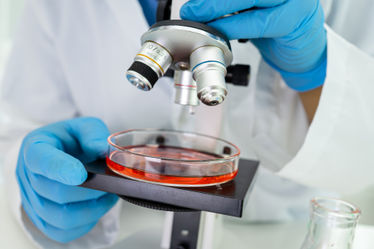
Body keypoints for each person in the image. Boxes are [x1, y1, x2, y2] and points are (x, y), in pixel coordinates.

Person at [0, 0, 373, 248]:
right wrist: (36, 188)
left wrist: (317, 69)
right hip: (115, 234)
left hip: (275, 235)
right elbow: (20, 127)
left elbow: (363, 156)